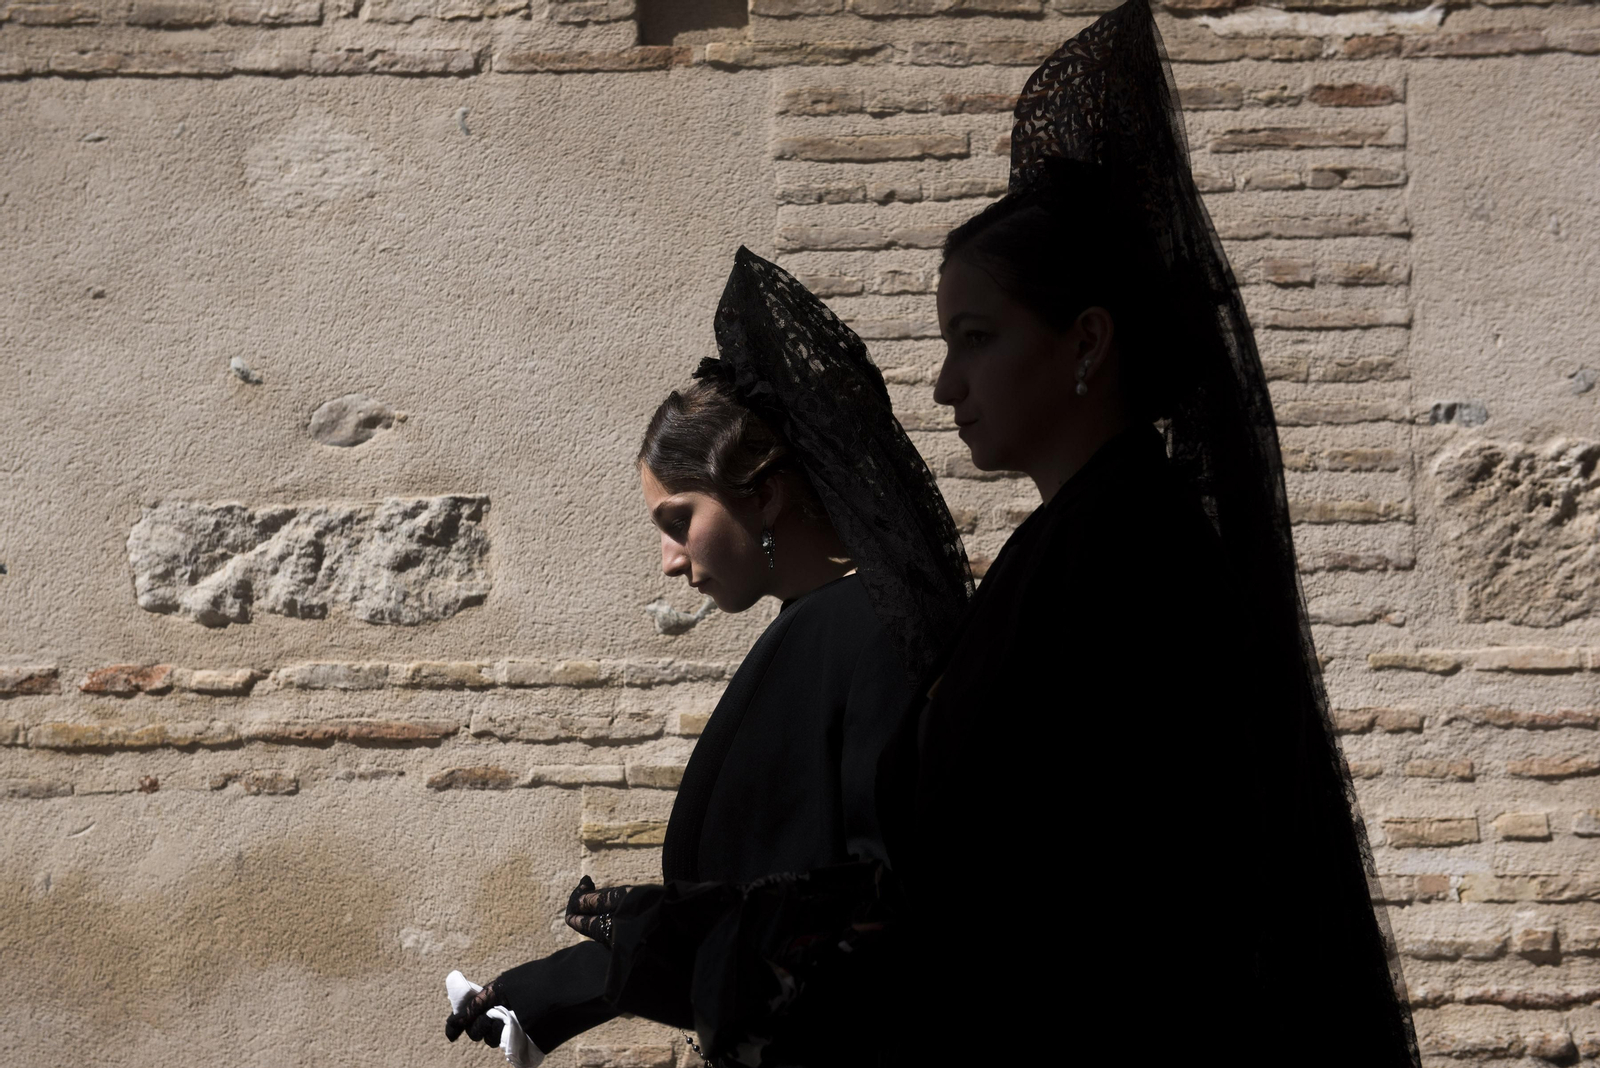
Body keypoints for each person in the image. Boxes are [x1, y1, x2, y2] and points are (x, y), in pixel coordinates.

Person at [496, 3, 1423, 1065]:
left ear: (1085, 343)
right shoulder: (1075, 543)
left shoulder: (1122, 556)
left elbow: (1075, 896)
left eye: (975, 340)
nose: (942, 384)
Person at [443, 247, 972, 1063]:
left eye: (678, 520)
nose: (670, 560)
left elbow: (862, 909)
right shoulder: (823, 626)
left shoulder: (868, 633)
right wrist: (552, 993)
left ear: (762, 493)